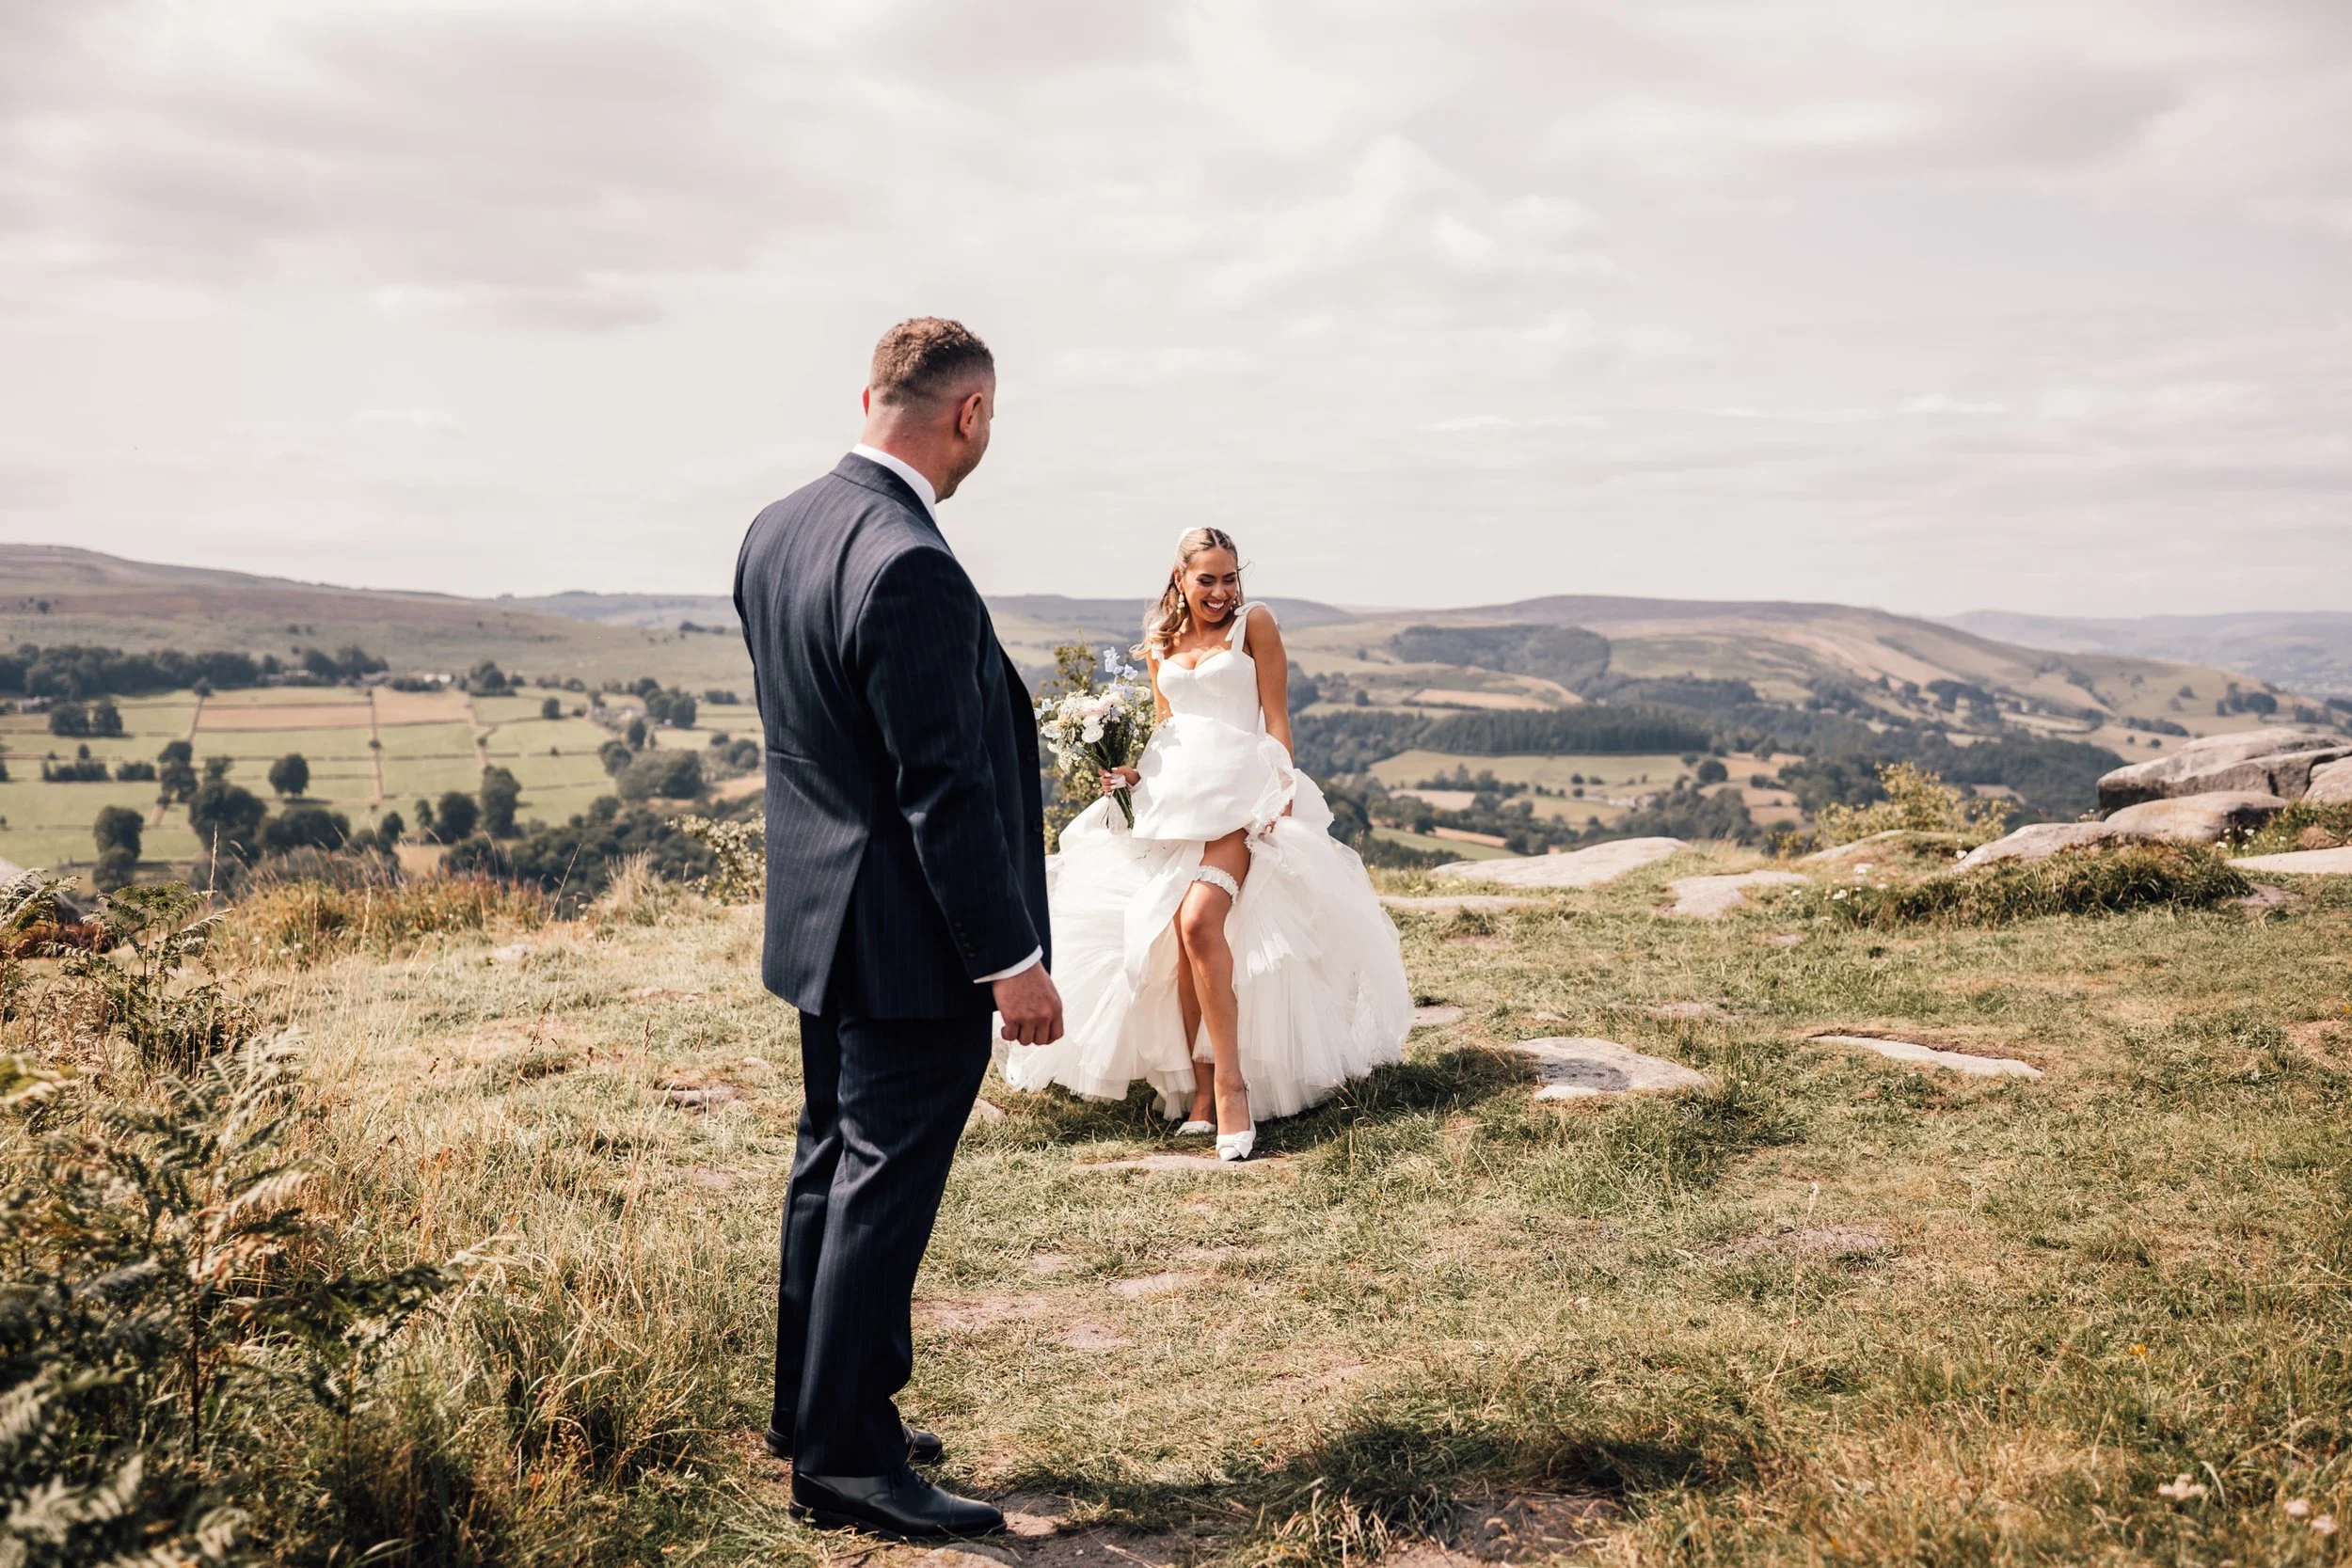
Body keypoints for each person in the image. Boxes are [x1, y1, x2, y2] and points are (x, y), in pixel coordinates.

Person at [734, 317, 1057, 1541]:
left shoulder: (781, 527)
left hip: (820, 918)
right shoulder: (908, 558)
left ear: (869, 393)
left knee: (830, 1163)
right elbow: (942, 788)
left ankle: (810, 1404)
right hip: (910, 939)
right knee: (879, 1182)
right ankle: (848, 1461)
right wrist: (1011, 961)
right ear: (968, 415)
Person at [998, 529, 1412, 1157]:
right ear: (1180, 579)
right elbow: (1169, 731)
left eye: (1230, 577)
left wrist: (1279, 800)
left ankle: (1232, 1088)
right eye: (1207, 579)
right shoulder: (1160, 642)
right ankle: (1196, 1087)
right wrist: (1130, 773)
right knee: (1170, 933)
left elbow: (1277, 721)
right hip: (1174, 804)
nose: (1221, 592)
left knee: (1198, 922)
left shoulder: (1257, 626)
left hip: (1242, 804)